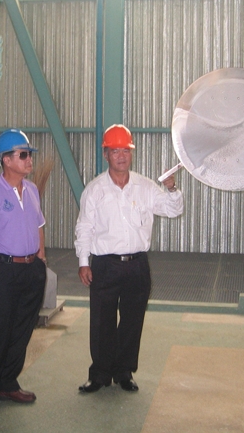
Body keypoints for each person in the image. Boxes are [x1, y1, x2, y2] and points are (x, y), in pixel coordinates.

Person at [75, 124, 184, 393]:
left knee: (132, 320)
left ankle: (124, 372)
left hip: (137, 265)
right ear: (106, 154)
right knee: (102, 321)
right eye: (115, 151)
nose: (121, 156)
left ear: (131, 153)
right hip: (105, 265)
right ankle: (100, 374)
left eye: (125, 150)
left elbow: (172, 210)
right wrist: (83, 262)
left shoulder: (145, 187)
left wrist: (172, 189)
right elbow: (84, 227)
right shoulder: (95, 190)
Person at [0, 129, 47, 411]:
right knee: (1, 331)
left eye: (29, 154)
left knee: (23, 330)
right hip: (4, 270)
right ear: (6, 160)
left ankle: (7, 383)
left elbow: (39, 225)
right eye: (23, 155)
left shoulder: (32, 190)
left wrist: (41, 258)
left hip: (31, 269)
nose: (29, 160)